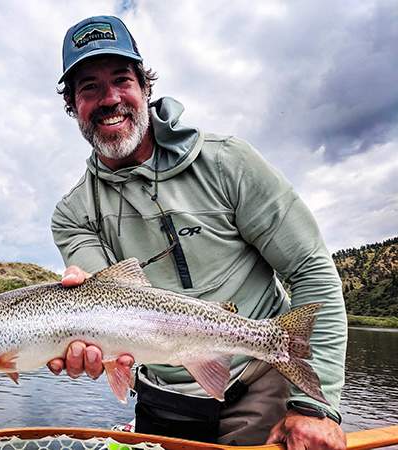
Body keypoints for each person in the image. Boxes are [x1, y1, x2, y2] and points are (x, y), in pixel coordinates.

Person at [48, 15, 347, 449]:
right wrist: (83, 338)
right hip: (161, 398)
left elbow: (311, 272)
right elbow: (107, 306)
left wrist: (314, 408)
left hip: (259, 382)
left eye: (121, 80)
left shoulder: (229, 163)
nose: (110, 98)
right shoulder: (73, 214)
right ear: (73, 106)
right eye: (89, 87)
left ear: (145, 88)